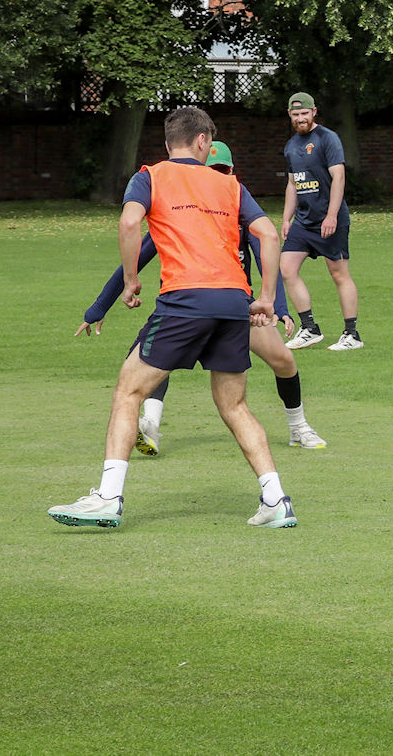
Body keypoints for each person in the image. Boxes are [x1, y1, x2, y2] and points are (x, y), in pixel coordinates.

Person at [48, 107, 298, 529]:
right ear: (203, 141)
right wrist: (268, 299)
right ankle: (276, 500)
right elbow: (269, 234)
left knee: (129, 392)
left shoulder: (151, 175)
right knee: (234, 404)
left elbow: (130, 223)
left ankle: (108, 497)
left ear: (168, 144)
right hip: (234, 301)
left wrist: (130, 281)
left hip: (185, 301)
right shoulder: (230, 184)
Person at [75, 141, 327, 452]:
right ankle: (150, 427)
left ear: (231, 173)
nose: (217, 175)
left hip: (238, 307)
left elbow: (264, 253)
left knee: (284, 361)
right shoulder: (177, 216)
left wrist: (279, 308)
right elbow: (134, 259)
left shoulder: (236, 207)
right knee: (156, 361)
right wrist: (98, 308)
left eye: (222, 170)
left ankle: (298, 427)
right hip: (193, 301)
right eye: (212, 170)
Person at [280, 92, 363, 351]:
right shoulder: (291, 146)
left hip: (331, 220)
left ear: (314, 112)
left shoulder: (328, 139)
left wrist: (331, 216)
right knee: (286, 268)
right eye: (296, 114)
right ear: (290, 116)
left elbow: (338, 178)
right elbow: (293, 184)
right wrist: (286, 218)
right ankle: (310, 328)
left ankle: (352, 334)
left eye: (305, 113)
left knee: (339, 274)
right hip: (303, 222)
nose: (300, 118)